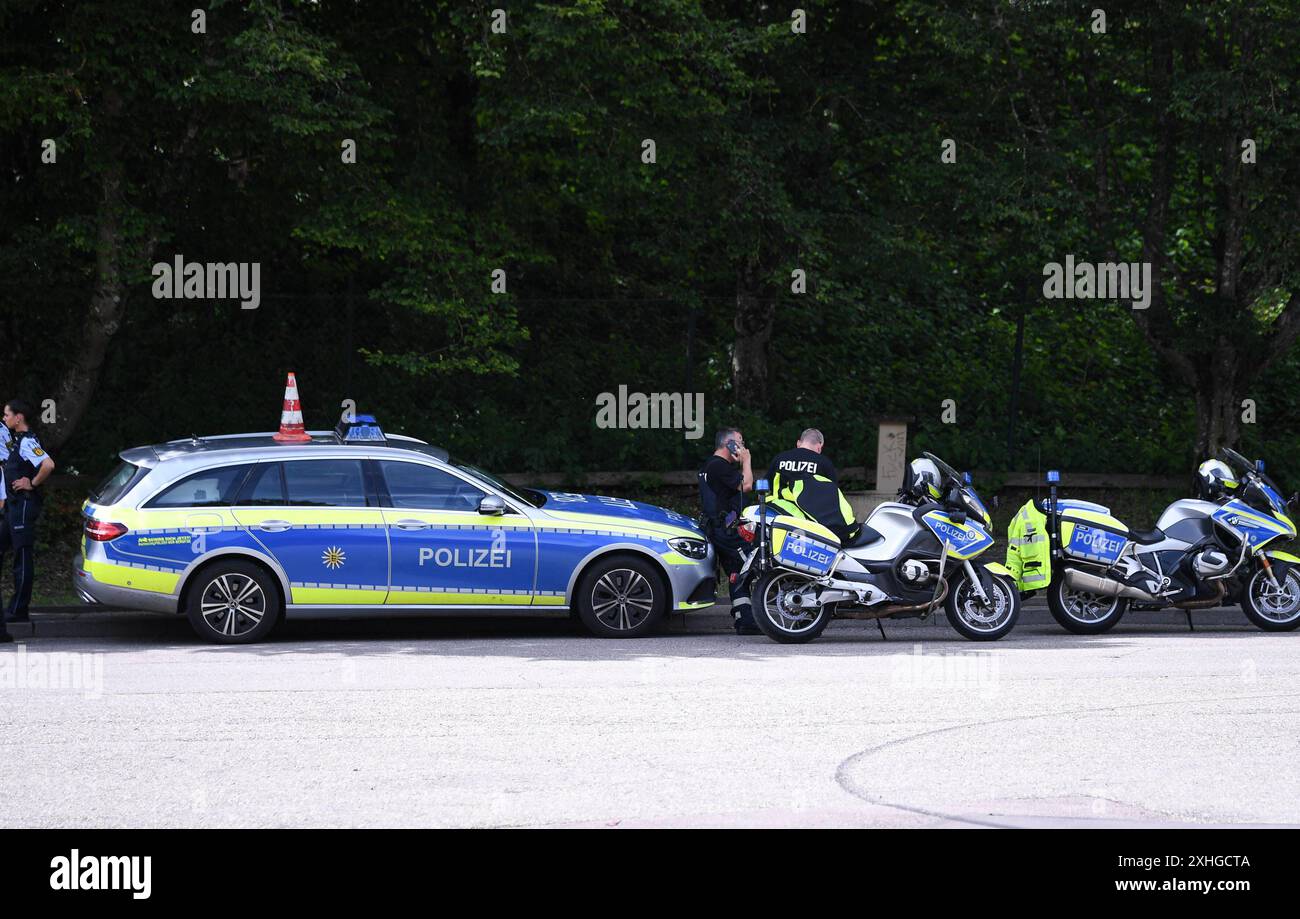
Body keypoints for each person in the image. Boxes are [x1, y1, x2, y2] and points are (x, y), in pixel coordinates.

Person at [698, 427, 758, 634]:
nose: (743, 446)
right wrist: (746, 460)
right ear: (729, 444)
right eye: (740, 442)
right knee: (749, 567)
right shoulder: (719, 466)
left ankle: (745, 620)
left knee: (736, 572)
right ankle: (747, 620)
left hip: (719, 529)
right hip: (725, 531)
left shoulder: (710, 465)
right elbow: (747, 485)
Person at [1, 399, 55, 625]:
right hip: (12, 508)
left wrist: (32, 483)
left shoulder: (27, 442)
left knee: (22, 558)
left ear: (18, 417)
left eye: (6, 415)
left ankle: (19, 609)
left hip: (23, 506)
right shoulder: (17, 442)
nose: (4, 419)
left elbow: (48, 464)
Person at [767, 428, 857, 541]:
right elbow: (833, 497)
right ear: (819, 446)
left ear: (799, 443)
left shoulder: (780, 458)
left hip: (780, 515)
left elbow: (766, 487)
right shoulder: (824, 463)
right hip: (812, 523)